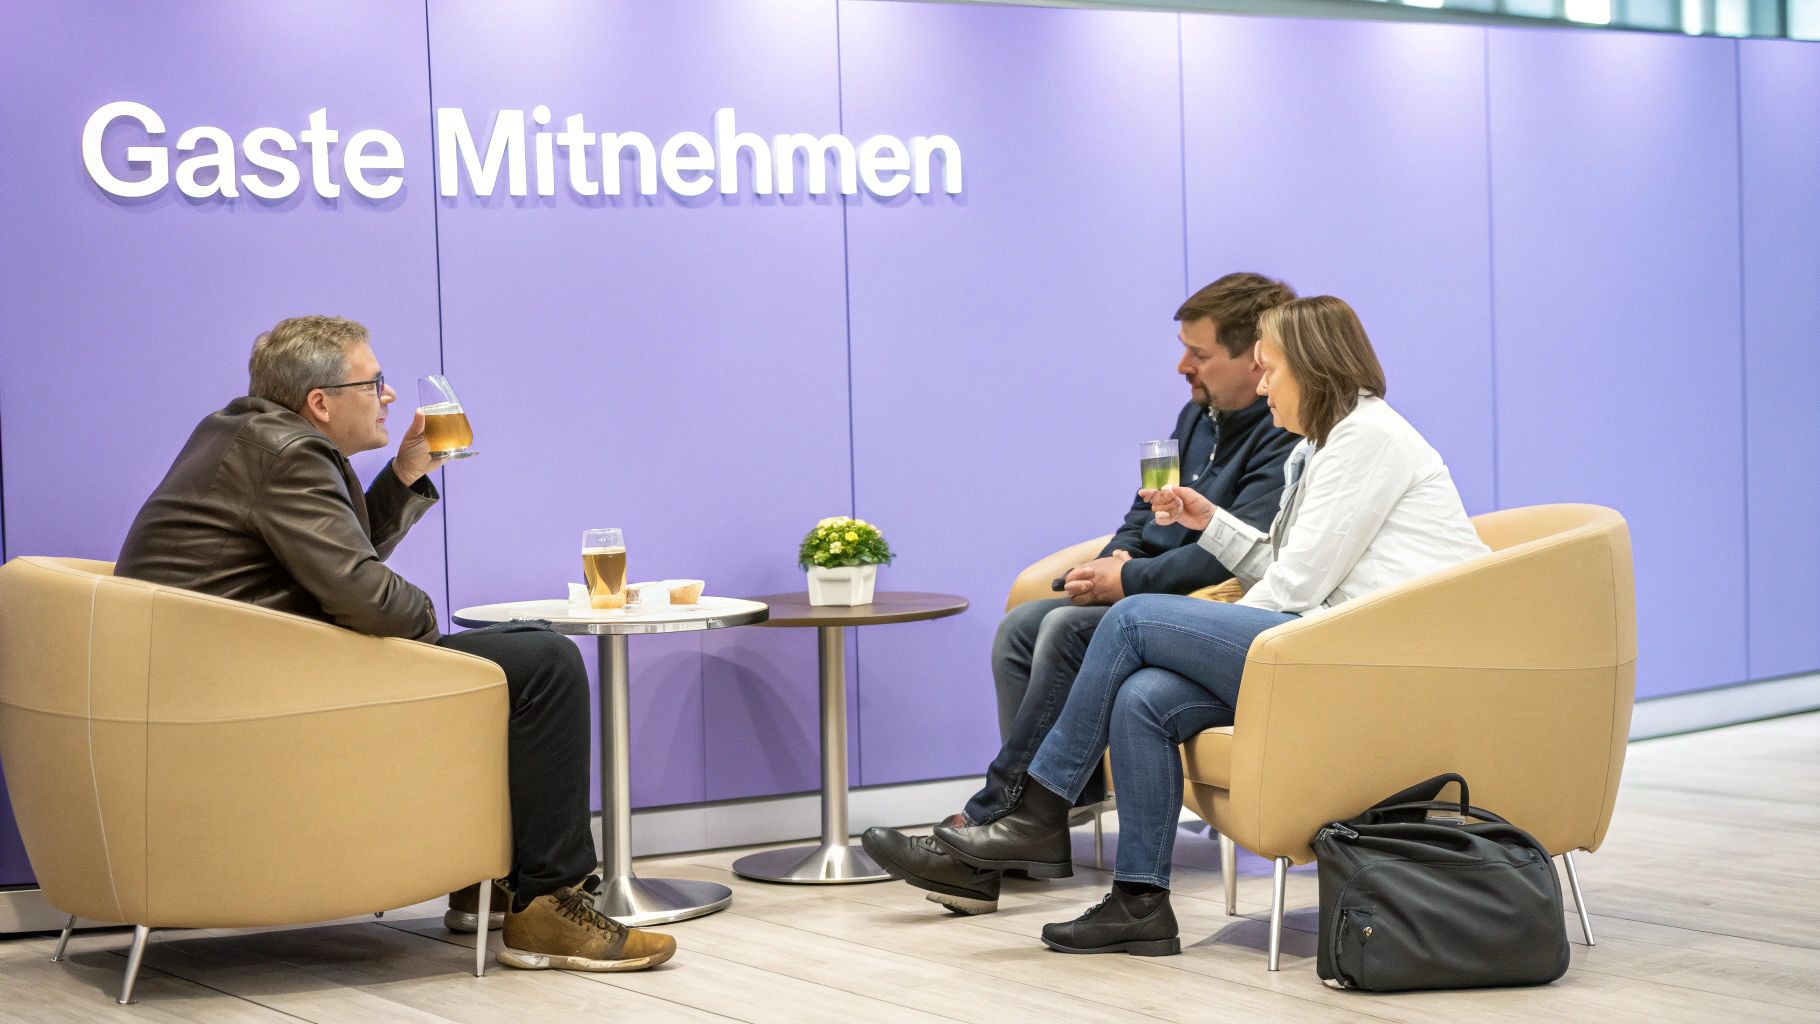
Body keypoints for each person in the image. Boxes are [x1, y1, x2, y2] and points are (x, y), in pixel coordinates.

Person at [930, 296, 1492, 956]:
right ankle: (1139, 902)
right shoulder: (1322, 448)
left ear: (1311, 369)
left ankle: (1040, 808)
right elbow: (1285, 567)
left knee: (1134, 620)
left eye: (1269, 369)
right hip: (1328, 638)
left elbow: (1295, 589)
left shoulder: (1369, 439)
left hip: (1370, 655)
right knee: (1143, 700)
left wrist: (1191, 629)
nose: (1260, 385)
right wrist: (1209, 523)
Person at [115, 315, 674, 973]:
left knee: (517, 647)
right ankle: (548, 904)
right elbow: (364, 597)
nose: (388, 397)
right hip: (255, 694)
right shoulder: (293, 455)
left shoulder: (245, 433)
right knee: (544, 662)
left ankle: (485, 887)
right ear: (320, 402)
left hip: (228, 676)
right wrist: (423, 622)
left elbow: (330, 562)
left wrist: (404, 475)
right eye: (374, 382)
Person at [861, 273, 1300, 915]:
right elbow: (1146, 508)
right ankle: (1034, 834)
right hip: (1162, 589)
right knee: (1024, 626)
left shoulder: (1283, 430)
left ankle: (1005, 819)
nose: (1183, 366)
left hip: (1221, 600)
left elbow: (1234, 552)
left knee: (1065, 629)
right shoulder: (1197, 414)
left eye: (1199, 354)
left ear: (1250, 355)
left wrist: (1130, 582)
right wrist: (1113, 561)